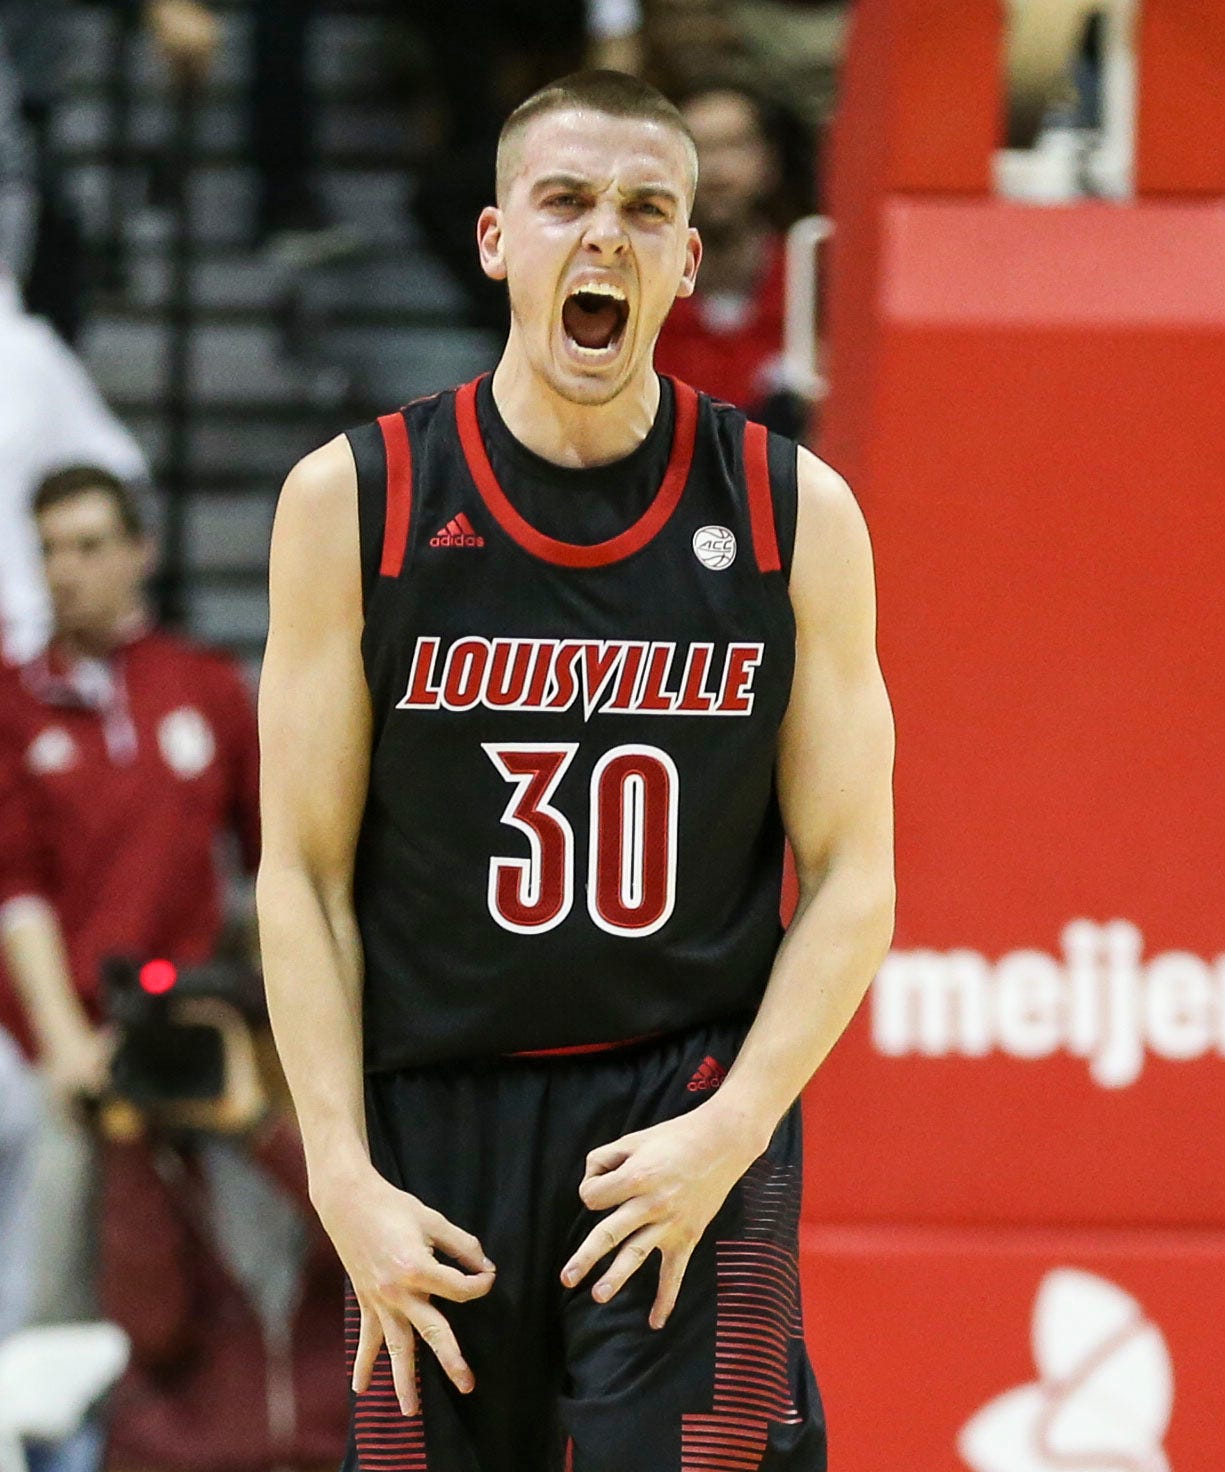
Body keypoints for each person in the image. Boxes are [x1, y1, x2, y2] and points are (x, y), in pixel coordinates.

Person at [258, 69, 895, 1472]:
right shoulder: (355, 500)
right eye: (566, 202)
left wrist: (734, 1127)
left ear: (684, 258)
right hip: (429, 1118)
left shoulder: (794, 512)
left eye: (644, 210)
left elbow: (855, 881)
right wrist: (338, 1170)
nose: (603, 235)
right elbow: (300, 875)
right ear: (497, 239)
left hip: (681, 1110)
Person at [0, 465, 260, 1324]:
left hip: (189, 1021)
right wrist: (66, 1046)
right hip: (56, 1039)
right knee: (51, 1282)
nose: (64, 568)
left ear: (139, 552)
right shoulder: (14, 698)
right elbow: (17, 887)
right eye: (47, 550)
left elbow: (272, 867)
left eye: (87, 545)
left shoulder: (207, 685)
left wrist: (261, 1028)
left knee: (239, 1253)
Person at [655, 84, 803, 434]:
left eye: (734, 146)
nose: (718, 171)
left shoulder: (813, 276)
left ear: (769, 162)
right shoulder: (633, 283)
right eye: (697, 149)